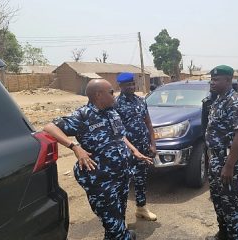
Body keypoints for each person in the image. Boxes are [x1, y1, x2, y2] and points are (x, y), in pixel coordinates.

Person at [43, 79, 152, 240]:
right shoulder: (83, 115)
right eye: (110, 92)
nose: (114, 95)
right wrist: (75, 147)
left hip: (121, 177)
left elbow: (120, 136)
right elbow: (49, 127)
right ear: (98, 95)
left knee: (119, 218)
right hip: (101, 181)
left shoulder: (112, 112)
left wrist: (134, 151)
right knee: (116, 228)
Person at [205, 65, 238, 240]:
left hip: (229, 159)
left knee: (231, 205)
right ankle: (223, 234)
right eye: (212, 79)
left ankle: (235, 237)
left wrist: (229, 166)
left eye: (216, 79)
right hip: (216, 158)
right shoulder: (218, 99)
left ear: (229, 80)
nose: (212, 82)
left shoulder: (235, 101)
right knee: (218, 200)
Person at [114, 72, 158, 221]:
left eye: (133, 84)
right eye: (128, 85)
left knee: (141, 180)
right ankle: (121, 218)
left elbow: (148, 123)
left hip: (143, 148)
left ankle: (141, 208)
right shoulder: (115, 104)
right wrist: (132, 150)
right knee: (124, 183)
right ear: (120, 86)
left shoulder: (141, 101)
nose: (132, 87)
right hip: (126, 150)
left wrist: (153, 143)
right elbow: (118, 132)